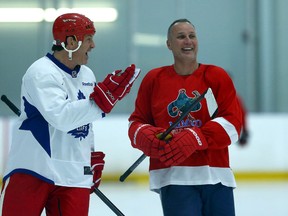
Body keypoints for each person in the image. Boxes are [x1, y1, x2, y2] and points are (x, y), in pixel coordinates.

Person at [0, 13, 140, 215]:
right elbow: (61, 117)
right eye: (89, 38)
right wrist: (102, 104)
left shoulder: (86, 74)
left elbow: (87, 121)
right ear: (71, 41)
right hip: (33, 169)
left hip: (73, 173)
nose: (93, 45)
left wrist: (89, 154)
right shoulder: (41, 72)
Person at [128, 18, 242, 216]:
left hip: (216, 175)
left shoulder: (216, 76)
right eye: (181, 37)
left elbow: (233, 124)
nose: (188, 41)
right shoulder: (154, 79)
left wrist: (196, 137)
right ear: (169, 44)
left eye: (192, 36)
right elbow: (136, 123)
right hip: (174, 178)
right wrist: (147, 136)